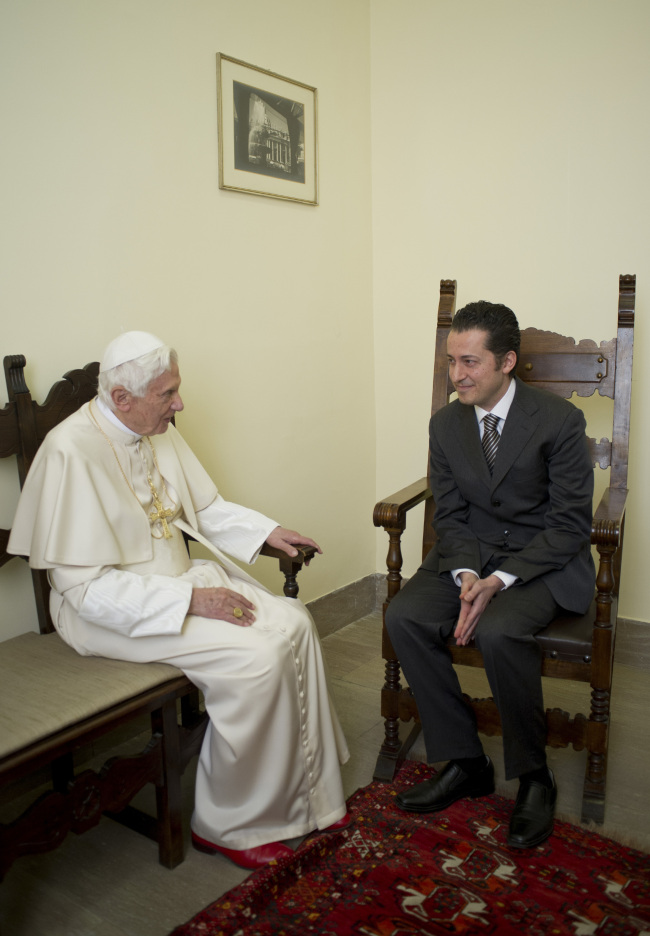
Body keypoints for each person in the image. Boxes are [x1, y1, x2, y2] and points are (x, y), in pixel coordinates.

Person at [8, 331, 350, 869]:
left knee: (296, 621)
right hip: (104, 611)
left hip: (183, 582)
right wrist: (191, 602)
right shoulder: (70, 450)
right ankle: (231, 825)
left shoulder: (153, 426)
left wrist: (266, 533)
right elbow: (85, 590)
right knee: (258, 658)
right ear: (122, 398)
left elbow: (204, 507)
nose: (180, 404)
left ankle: (308, 799)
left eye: (176, 390)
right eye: (168, 394)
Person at [385, 301, 595, 849]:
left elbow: (569, 525)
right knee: (404, 615)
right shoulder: (446, 423)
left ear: (507, 362)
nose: (457, 375)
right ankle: (465, 762)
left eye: (470, 362)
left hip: (541, 561)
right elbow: (450, 514)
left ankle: (533, 777)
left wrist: (498, 583)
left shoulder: (560, 421)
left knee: (501, 630)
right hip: (469, 552)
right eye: (452, 361)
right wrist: (464, 577)